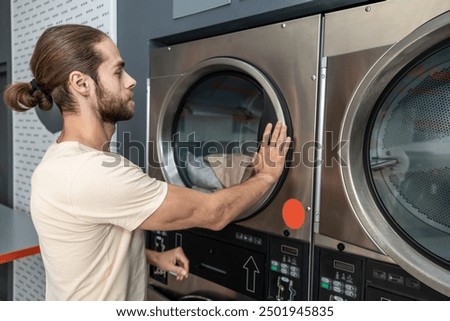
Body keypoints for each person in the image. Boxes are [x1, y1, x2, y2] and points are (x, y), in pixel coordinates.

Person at [3, 24, 291, 301]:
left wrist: (153, 257)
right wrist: (265, 176)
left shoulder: (61, 160)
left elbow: (89, 248)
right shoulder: (92, 174)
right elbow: (214, 213)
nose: (131, 81)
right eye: (117, 71)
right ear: (81, 83)